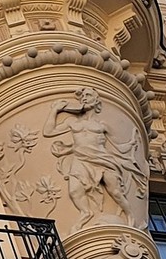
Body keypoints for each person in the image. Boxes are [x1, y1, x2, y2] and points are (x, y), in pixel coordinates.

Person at [43, 87, 145, 227]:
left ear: (96, 100)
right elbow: (48, 132)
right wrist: (55, 110)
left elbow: (116, 146)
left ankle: (130, 217)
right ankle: (86, 213)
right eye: (83, 96)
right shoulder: (72, 122)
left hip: (103, 160)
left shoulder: (102, 125)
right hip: (80, 159)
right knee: (74, 191)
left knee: (115, 192)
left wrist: (131, 145)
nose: (84, 98)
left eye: (89, 95)